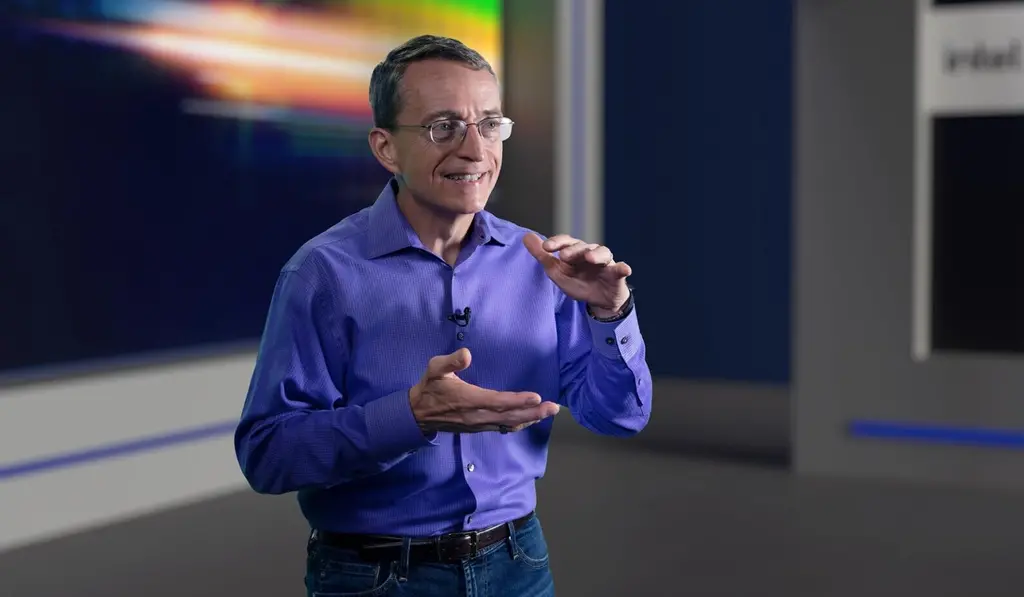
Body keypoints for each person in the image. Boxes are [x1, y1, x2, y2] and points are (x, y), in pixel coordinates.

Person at [234, 34, 653, 597]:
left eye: (490, 124)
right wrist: (411, 416)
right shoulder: (322, 274)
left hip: (518, 564)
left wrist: (609, 312)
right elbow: (268, 456)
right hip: (375, 577)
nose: (475, 150)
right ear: (386, 148)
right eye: (444, 127)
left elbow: (619, 417)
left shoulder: (542, 263)